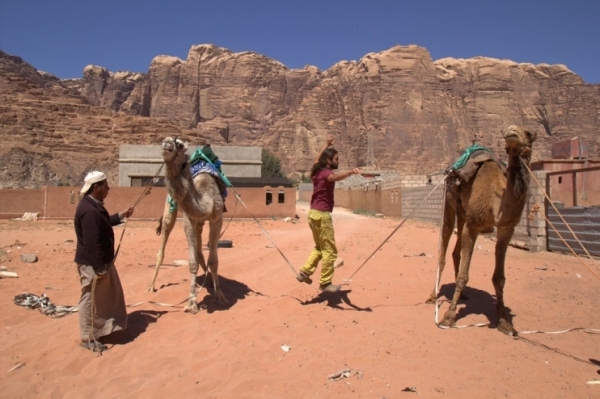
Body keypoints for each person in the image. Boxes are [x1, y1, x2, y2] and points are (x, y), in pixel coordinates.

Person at [74, 171, 133, 352]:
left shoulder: (93, 206)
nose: (109, 189)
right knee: (90, 299)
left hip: (100, 262)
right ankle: (88, 337)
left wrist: (120, 216)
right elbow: (92, 244)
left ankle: (101, 330)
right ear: (96, 187)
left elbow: (103, 223)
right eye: (106, 186)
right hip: (94, 264)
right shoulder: (89, 211)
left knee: (105, 297)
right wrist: (100, 270)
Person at [297, 134, 361, 292]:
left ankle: (305, 272)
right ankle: (325, 282)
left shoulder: (316, 172)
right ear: (328, 160)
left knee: (319, 248)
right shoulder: (326, 173)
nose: (338, 162)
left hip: (312, 214)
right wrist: (351, 172)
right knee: (330, 251)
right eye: (336, 159)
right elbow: (334, 177)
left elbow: (316, 160)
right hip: (322, 215)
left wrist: (326, 145)